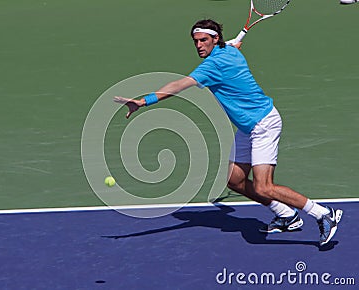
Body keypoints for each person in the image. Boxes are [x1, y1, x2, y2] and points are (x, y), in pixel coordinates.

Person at [114, 19, 343, 246]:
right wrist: (229, 44)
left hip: (263, 123)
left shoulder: (212, 66)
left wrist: (144, 101)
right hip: (247, 126)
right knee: (235, 181)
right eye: (195, 41)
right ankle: (286, 215)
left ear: (215, 39)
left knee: (264, 186)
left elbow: (179, 85)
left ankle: (323, 214)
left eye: (204, 40)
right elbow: (232, 46)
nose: (199, 45)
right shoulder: (229, 51)